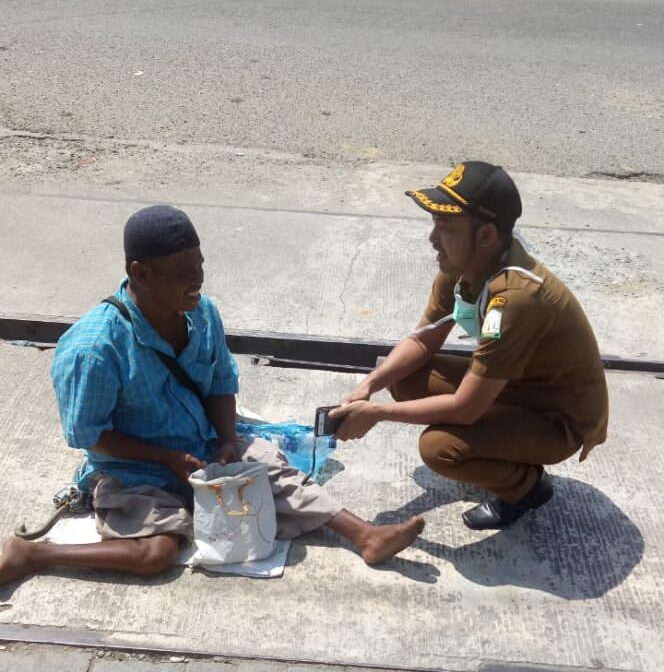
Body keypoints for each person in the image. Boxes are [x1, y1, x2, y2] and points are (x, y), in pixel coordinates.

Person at [0, 205, 423, 588]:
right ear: (141, 274)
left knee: (275, 473)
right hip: (137, 470)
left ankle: (366, 536)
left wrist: (224, 442)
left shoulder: (201, 312)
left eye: (199, 264)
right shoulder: (94, 348)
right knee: (157, 554)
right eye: (183, 270)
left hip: (203, 448)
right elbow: (88, 435)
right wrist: (166, 460)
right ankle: (33, 553)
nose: (197, 279)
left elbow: (222, 383)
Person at [333, 161, 609, 530]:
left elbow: (465, 409)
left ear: (485, 235)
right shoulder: (460, 270)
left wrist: (378, 414)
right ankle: (504, 448)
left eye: (445, 227)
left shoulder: (516, 299)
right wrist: (369, 386)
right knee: (401, 377)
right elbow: (421, 340)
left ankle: (527, 486)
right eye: (434, 223)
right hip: (515, 385)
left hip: (557, 417)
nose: (433, 238)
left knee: (439, 449)